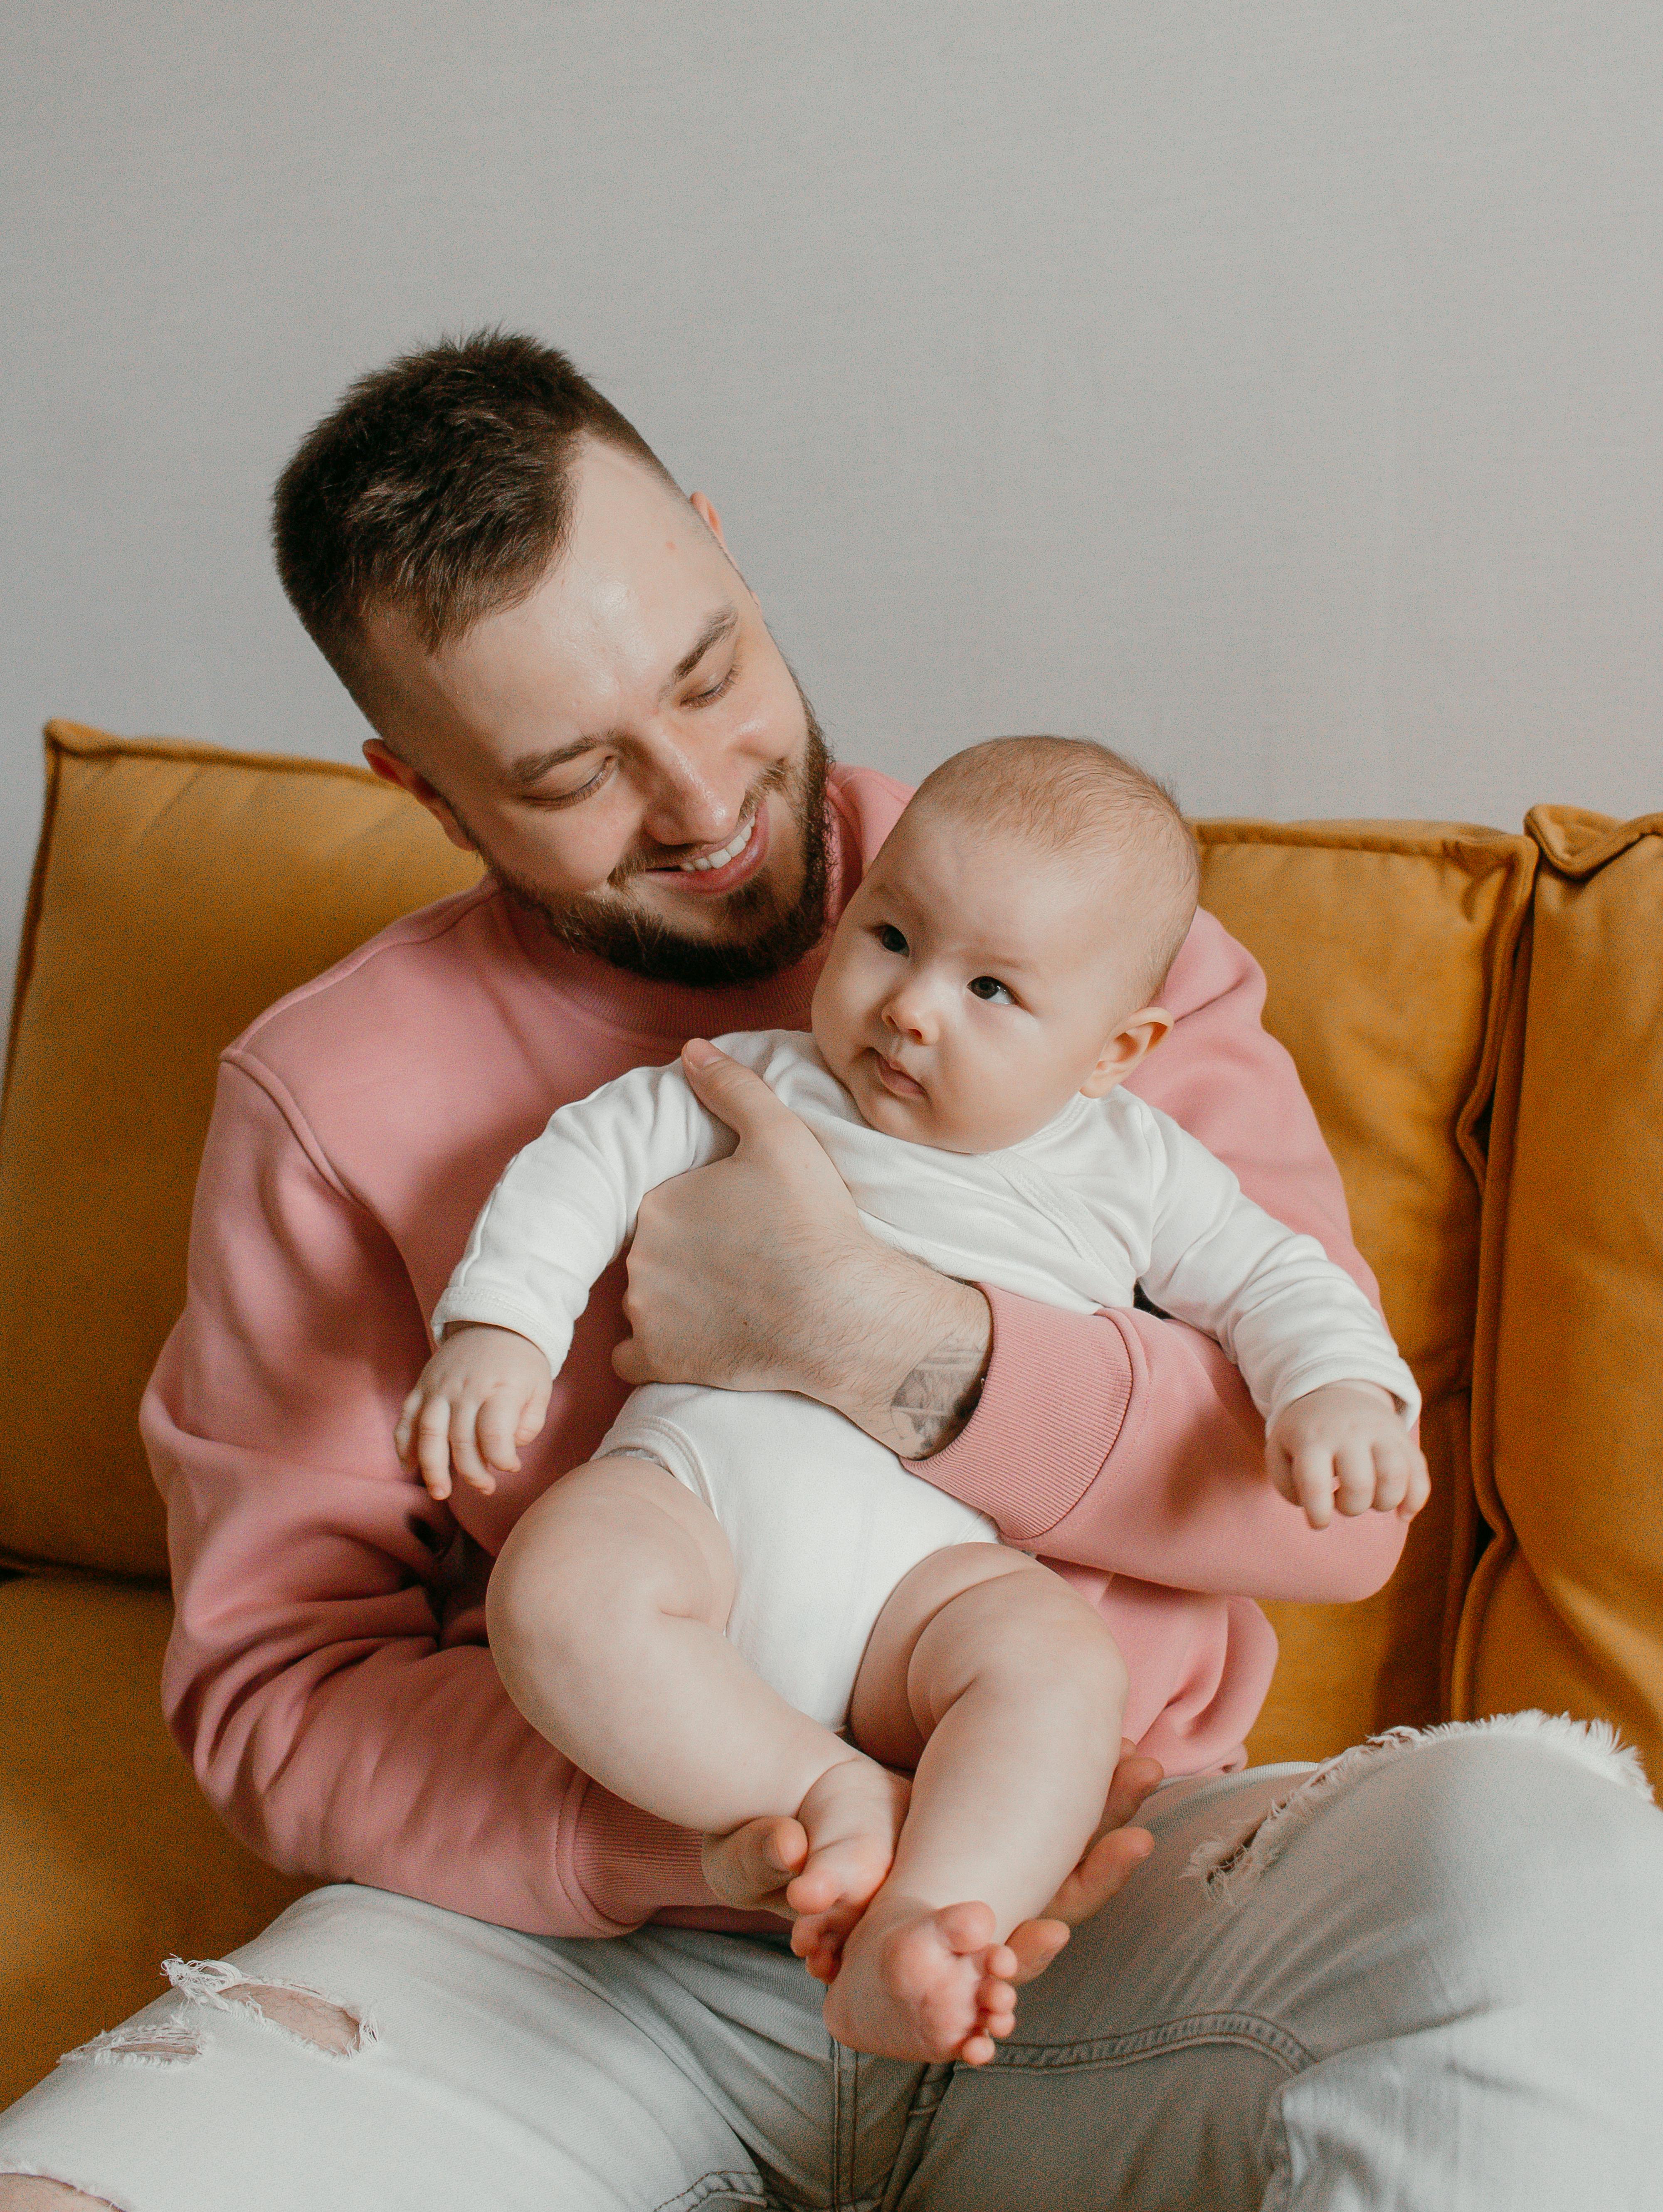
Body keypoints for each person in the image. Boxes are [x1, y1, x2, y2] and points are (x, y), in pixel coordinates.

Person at [2, 333, 1658, 2211]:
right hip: (579, 1963)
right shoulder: (329, 1095)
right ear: (427, 790)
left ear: (726, 551)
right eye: (567, 775)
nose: (702, 798)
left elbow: (1335, 1520)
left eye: (709, 673)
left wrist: (895, 1353)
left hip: (1090, 1904)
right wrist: (740, 1841)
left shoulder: (1076, 929)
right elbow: (280, 1694)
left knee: (1548, 1839)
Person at [405, 734, 1424, 2064]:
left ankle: (932, 1926)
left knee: (1060, 1670)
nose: (911, 1008)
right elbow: (586, 1158)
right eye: (890, 936)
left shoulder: (1137, 1167)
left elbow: (1276, 1279)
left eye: (993, 987)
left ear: (1117, 1049)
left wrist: (1339, 1388)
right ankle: (830, 1799)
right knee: (554, 1590)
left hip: (930, 1585)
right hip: (695, 1502)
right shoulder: (760, 1077)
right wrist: (501, 1324)